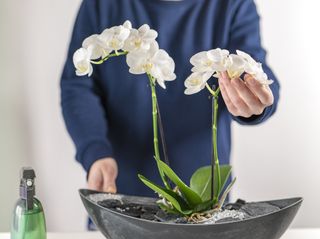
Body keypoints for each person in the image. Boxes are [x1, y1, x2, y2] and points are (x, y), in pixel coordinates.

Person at [61, 0, 279, 198]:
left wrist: (254, 100)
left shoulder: (233, 4)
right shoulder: (100, 4)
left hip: (204, 201)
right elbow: (77, 86)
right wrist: (95, 151)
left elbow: (254, 67)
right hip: (117, 191)